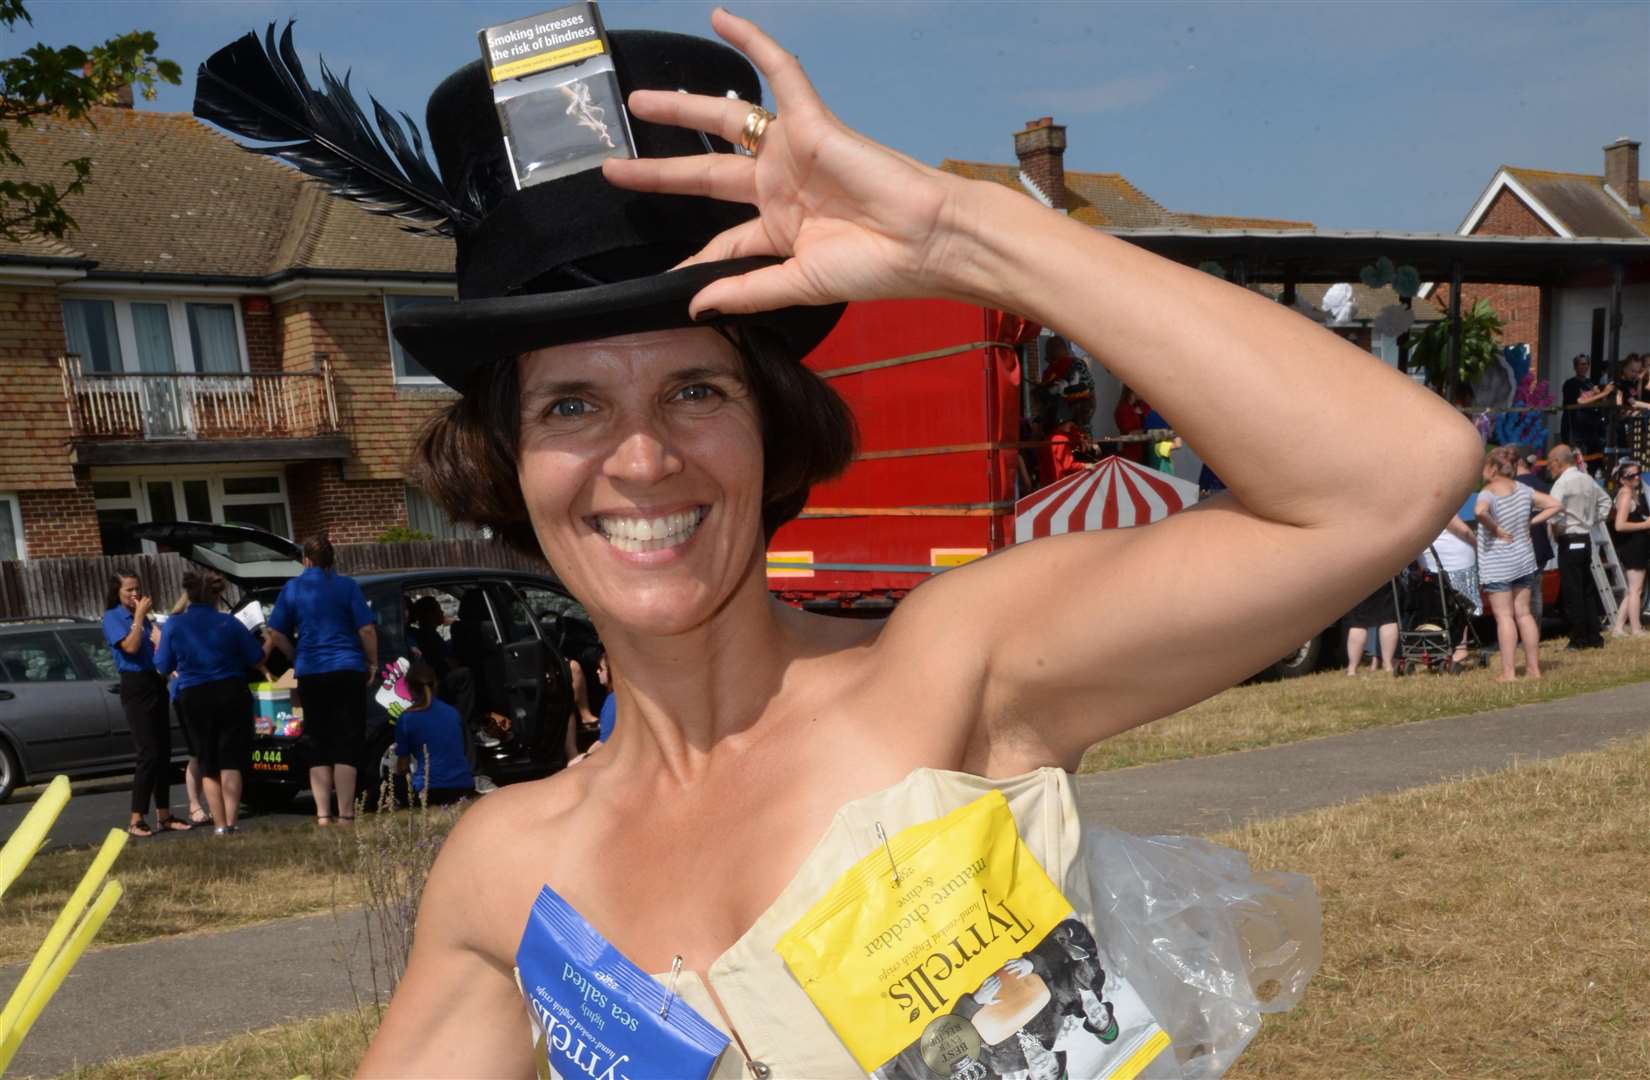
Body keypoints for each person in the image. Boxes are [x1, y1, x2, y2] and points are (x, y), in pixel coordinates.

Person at [202, 13, 1486, 1074]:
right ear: (511, 467)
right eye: (572, 405)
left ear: (772, 430)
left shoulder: (951, 675)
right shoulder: (510, 873)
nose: (641, 458)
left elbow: (1385, 477)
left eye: (696, 391)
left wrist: (959, 236)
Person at [263, 535, 377, 826]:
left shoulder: (292, 588)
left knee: (318, 742)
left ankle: (323, 814)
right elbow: (366, 629)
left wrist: (294, 656)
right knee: (347, 741)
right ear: (332, 560)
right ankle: (346, 814)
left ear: (306, 560)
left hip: (311, 670)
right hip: (347, 668)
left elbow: (275, 632)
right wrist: (372, 661)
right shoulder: (347, 587)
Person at [155, 570, 267, 835]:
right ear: (215, 597)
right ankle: (232, 822)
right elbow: (255, 656)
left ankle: (218, 826)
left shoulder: (174, 624)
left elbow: (162, 665)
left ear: (189, 595)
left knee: (208, 762)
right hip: (231, 692)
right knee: (231, 761)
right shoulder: (228, 623)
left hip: (194, 695)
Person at [101, 571, 190, 836]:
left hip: (155, 682)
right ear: (117, 592)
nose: (134, 594)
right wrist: (139, 617)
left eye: (137, 589)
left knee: (163, 753)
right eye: (128, 590)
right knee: (148, 753)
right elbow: (129, 647)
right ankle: (136, 817)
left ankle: (164, 814)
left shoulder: (147, 618)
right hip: (134, 684)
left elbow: (159, 647)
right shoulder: (113, 617)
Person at [1477, 446, 1562, 680]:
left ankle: (1509, 672)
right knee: (1524, 614)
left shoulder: (1488, 492)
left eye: (1485, 466)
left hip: (1497, 563)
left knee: (1504, 617)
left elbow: (1480, 511)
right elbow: (1555, 504)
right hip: (1523, 559)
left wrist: (1495, 529)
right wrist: (1531, 522)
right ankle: (1534, 669)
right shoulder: (1524, 490)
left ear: (1493, 468)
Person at [1545, 443, 1614, 649]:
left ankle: (1578, 638)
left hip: (1569, 537)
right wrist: (1593, 520)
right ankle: (1594, 635)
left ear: (1558, 461)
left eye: (1550, 463)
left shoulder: (1562, 483)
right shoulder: (1587, 479)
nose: (1549, 468)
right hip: (1585, 538)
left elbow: (1553, 511)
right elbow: (1606, 502)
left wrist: (1556, 532)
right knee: (1587, 588)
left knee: (1572, 590)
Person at [394, 662, 477, 807]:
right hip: (463, 785)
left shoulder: (406, 718)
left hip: (430, 788)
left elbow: (402, 766)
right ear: (436, 684)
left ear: (410, 689)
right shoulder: (453, 712)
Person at [1608, 459, 1649, 636]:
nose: (1637, 478)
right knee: (1636, 590)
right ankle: (1636, 628)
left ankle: (1618, 627)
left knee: (1632, 589)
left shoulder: (1631, 493)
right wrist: (1645, 525)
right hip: (1632, 547)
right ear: (1623, 479)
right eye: (1632, 476)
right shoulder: (1625, 495)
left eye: (1638, 473)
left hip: (1636, 545)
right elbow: (1619, 525)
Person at [1560, 353, 1610, 459]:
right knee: (1575, 459)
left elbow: (1598, 400)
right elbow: (1579, 401)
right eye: (1581, 364)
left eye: (1586, 364)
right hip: (1574, 429)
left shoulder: (1590, 383)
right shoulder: (1570, 383)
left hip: (1591, 429)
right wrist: (1602, 393)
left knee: (1592, 459)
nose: (1584, 367)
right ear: (1575, 367)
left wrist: (1600, 394)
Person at [1343, 581, 1398, 676]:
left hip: (1359, 576)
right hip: (1383, 575)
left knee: (1358, 623)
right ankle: (1388, 665)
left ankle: (1352, 669)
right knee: (1387, 619)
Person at [1612, 353, 1650, 464]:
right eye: (1632, 371)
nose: (1634, 374)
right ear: (1624, 368)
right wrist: (1648, 406)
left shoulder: (1631, 383)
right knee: (1626, 449)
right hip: (1622, 422)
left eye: (1636, 371)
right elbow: (1632, 402)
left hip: (1632, 420)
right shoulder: (1620, 383)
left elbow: (1636, 397)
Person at [1112, 385, 1148, 464]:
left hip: (1148, 454)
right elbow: (1129, 432)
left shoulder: (1144, 406)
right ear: (1132, 390)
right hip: (1133, 455)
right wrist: (1148, 431)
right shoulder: (1123, 410)